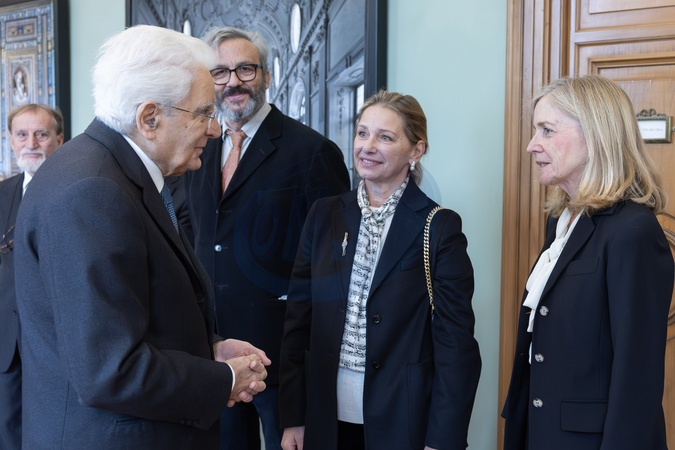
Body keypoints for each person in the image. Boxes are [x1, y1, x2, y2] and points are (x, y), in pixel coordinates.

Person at [13, 25, 271, 449]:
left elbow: (132, 313)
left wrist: (207, 349)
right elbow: (109, 370)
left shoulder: (107, 169)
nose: (214, 129)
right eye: (203, 113)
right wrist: (223, 379)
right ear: (149, 118)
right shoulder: (93, 191)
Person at [177, 26, 350, 450]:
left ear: (267, 76)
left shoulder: (312, 152)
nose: (233, 81)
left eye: (246, 69)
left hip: (282, 357)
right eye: (220, 72)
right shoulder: (196, 148)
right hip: (213, 352)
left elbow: (331, 268)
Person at [279, 90, 482, 450]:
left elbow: (456, 344)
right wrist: (293, 416)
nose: (367, 146)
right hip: (324, 415)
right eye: (362, 133)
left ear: (416, 151)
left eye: (385, 137)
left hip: (402, 419)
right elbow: (298, 320)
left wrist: (443, 439)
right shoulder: (324, 215)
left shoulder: (439, 227)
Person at [501, 75, 674, 450]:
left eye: (547, 130)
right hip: (540, 432)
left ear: (596, 134)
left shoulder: (633, 230)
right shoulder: (561, 221)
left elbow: (637, 377)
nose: (532, 145)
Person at [0, 103, 64, 449]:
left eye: (41, 134)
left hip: (56, 341)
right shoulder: (2, 194)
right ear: (10, 141)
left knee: (53, 431)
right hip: (7, 343)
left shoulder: (75, 190)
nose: (31, 144)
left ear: (59, 139)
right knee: (8, 433)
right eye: (22, 135)